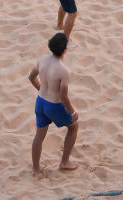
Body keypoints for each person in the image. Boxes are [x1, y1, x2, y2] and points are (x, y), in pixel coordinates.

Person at [28, 32, 79, 178]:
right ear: (64, 50)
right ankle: (65, 162)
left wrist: (41, 90)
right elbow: (63, 97)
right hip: (54, 106)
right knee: (73, 127)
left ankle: (36, 170)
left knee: (39, 136)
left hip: (40, 102)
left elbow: (31, 77)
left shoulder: (42, 59)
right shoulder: (64, 71)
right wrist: (73, 113)